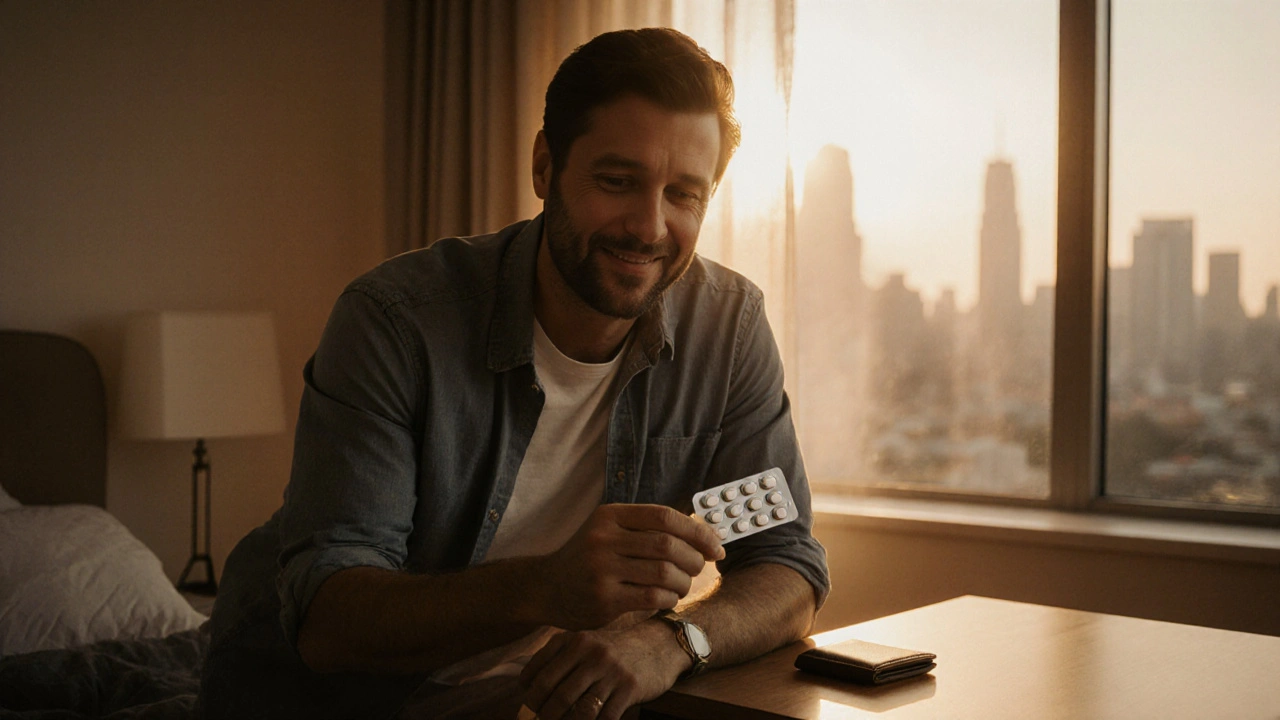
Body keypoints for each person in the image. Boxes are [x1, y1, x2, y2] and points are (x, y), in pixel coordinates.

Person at [200, 27, 829, 720]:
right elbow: (327, 616)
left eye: (684, 195)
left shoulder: (728, 328)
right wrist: (544, 590)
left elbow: (787, 565)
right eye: (617, 181)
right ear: (543, 166)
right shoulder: (395, 321)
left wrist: (672, 638)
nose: (649, 227)